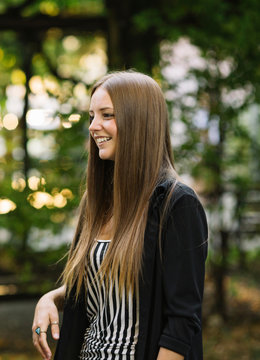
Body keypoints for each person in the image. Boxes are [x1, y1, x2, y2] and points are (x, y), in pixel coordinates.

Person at [31, 71, 208, 360]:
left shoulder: (177, 205)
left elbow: (182, 323)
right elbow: (104, 283)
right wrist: (51, 298)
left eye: (107, 115)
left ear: (139, 122)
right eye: (91, 116)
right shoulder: (96, 202)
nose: (93, 126)